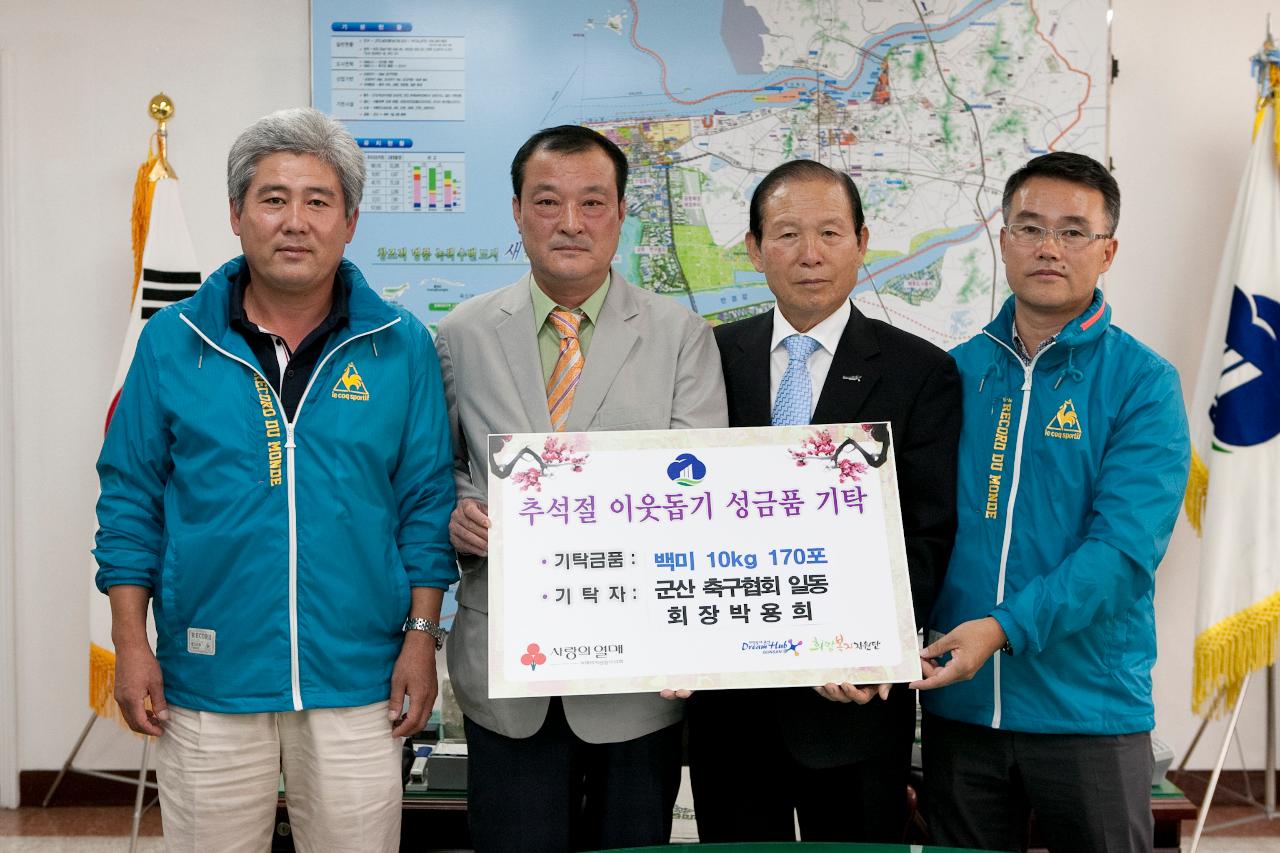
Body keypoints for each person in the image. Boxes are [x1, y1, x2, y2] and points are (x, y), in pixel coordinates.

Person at [93, 107, 457, 853]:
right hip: (209, 677)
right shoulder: (174, 341)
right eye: (273, 198)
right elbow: (129, 500)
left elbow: (424, 504)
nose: (296, 221)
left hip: (359, 679)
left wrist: (421, 639)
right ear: (236, 215)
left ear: (350, 221)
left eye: (318, 201)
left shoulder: (400, 345)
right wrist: (132, 644)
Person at [436, 124, 726, 852]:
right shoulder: (462, 333)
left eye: (592, 202)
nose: (571, 223)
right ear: (515, 211)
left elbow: (703, 490)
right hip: (510, 667)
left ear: (622, 212)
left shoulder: (679, 333)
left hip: (638, 673)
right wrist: (455, 514)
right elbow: (435, 470)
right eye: (547, 202)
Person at [913, 151, 1191, 853]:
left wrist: (1000, 628)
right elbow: (916, 529)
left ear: (1108, 251)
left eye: (1073, 231)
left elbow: (1122, 555)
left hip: (1088, 713)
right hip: (961, 708)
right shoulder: (954, 373)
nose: (1048, 247)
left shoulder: (1143, 383)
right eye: (1029, 226)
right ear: (1002, 240)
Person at [686, 159, 962, 842]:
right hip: (730, 711)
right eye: (786, 235)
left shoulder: (921, 372)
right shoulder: (707, 358)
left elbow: (928, 538)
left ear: (862, 241)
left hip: (854, 705)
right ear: (753, 249)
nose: (810, 254)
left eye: (830, 232)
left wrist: (865, 645)